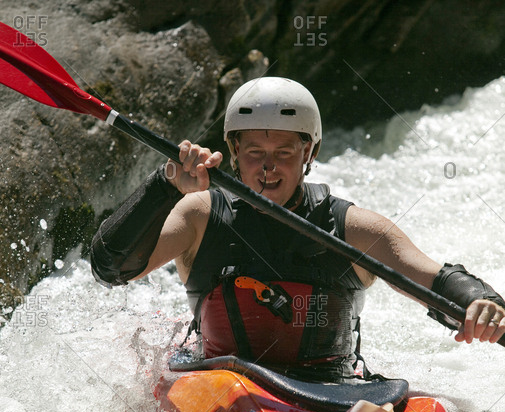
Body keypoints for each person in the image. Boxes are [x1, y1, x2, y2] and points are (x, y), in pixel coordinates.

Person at [90, 77, 505, 382]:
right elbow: (111, 268)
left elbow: (433, 279)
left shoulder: (354, 228)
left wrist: (481, 302)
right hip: (220, 380)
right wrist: (164, 188)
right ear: (234, 153)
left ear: (309, 153)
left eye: (283, 153)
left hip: (331, 388)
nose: (267, 166)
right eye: (254, 152)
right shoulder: (199, 215)